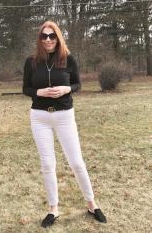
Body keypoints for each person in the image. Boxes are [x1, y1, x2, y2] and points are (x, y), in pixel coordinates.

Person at [22, 21, 107, 228]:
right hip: (40, 117)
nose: (48, 40)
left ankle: (91, 204)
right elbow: (25, 87)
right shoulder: (31, 61)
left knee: (77, 162)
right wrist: (38, 92)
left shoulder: (68, 59)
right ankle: (53, 208)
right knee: (48, 165)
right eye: (44, 36)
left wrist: (66, 89)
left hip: (64, 115)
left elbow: (77, 84)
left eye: (52, 36)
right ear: (40, 39)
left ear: (58, 38)